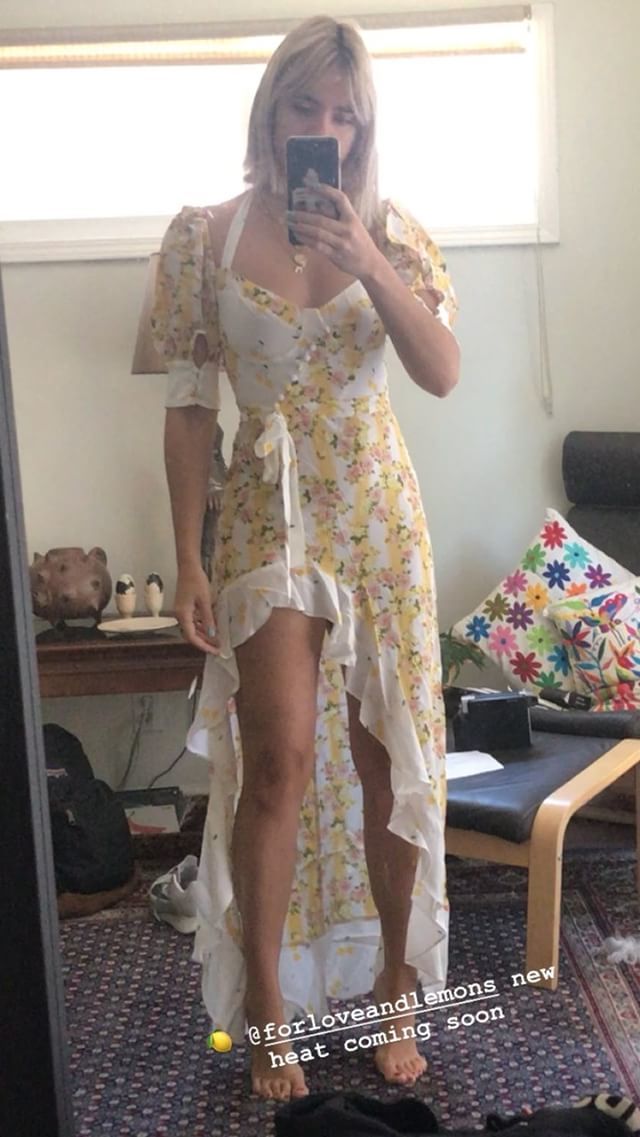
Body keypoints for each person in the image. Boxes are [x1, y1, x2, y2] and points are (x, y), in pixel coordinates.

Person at [151, 15, 460, 1104]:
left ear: (362, 129)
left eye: (344, 114)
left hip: (376, 518)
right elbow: (190, 408)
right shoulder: (202, 236)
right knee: (276, 761)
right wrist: (186, 559)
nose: (323, 127)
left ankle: (394, 985)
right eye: (304, 106)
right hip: (264, 515)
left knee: (387, 764)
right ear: (270, 109)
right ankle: (270, 1009)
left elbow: (441, 371)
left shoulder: (396, 232)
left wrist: (365, 257)